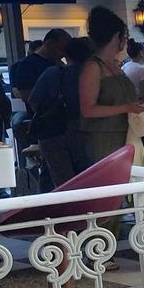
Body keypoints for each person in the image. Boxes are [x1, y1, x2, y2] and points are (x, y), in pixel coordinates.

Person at [79, 6, 144, 168]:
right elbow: (87, 109)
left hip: (126, 134)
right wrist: (126, 107)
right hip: (104, 139)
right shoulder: (94, 67)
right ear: (117, 36)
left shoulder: (115, 65)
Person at [28, 36, 93, 186]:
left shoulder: (52, 73)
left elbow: (33, 101)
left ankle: (65, 200)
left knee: (62, 180)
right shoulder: (92, 74)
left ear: (66, 54)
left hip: (52, 132)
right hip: (84, 130)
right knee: (87, 178)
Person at [10, 29, 70, 101]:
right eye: (60, 49)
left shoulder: (57, 63)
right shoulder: (27, 64)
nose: (63, 54)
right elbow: (26, 96)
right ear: (50, 43)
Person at [123, 39, 144, 103]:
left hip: (126, 103)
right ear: (141, 53)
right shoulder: (143, 70)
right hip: (137, 104)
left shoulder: (125, 66)